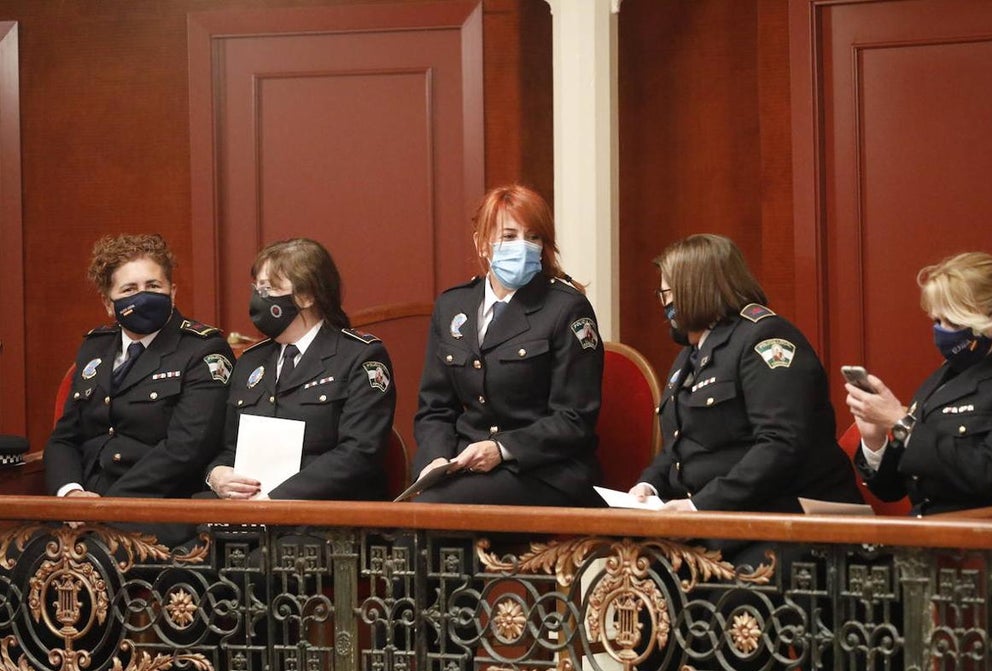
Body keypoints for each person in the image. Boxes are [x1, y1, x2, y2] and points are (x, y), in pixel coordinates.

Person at [629, 233, 861, 512]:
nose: (663, 304)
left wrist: (699, 506)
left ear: (694, 290)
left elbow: (781, 445)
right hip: (719, 516)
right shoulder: (689, 356)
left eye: (666, 293)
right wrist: (649, 486)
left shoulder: (764, 338)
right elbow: (680, 446)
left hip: (785, 517)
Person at [412, 184, 604, 507]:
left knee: (433, 511)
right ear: (482, 244)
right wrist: (436, 458)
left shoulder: (566, 308)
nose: (524, 247)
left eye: (533, 237)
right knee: (406, 511)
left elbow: (574, 418)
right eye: (510, 236)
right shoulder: (452, 306)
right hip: (467, 464)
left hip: (545, 471)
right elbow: (435, 407)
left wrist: (501, 449)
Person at [844, 251, 992, 515]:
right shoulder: (944, 377)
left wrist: (901, 422)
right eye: (937, 321)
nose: (941, 332)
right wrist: (874, 440)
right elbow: (892, 489)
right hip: (931, 536)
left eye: (953, 322)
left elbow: (990, 474)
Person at [44, 233, 234, 500]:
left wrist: (107, 506)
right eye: (129, 289)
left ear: (173, 292)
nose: (143, 297)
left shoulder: (202, 350)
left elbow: (186, 449)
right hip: (81, 506)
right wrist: (71, 493)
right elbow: (64, 438)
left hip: (154, 509)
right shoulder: (95, 348)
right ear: (109, 304)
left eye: (153, 286)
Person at [204, 238, 395, 500]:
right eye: (256, 289)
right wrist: (217, 475)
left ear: (306, 296)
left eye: (268, 289)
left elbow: (358, 453)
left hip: (323, 510)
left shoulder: (359, 356)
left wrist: (274, 498)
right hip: (247, 509)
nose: (258, 299)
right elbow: (229, 447)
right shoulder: (251, 361)